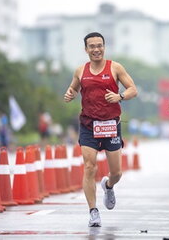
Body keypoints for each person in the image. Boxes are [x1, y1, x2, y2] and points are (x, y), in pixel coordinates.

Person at [64, 32, 138, 227]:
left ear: (104, 47)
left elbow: (133, 89)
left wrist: (119, 97)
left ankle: (108, 185)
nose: (96, 49)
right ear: (86, 49)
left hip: (111, 124)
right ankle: (93, 212)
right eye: (92, 46)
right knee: (89, 166)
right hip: (88, 125)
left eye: (99, 45)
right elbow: (73, 88)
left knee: (117, 173)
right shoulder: (80, 70)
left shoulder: (115, 67)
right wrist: (70, 94)